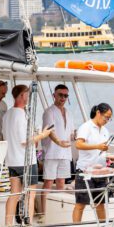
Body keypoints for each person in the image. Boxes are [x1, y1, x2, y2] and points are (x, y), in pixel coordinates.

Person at [3, 85, 52, 227]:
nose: (29, 97)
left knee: (14, 194)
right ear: (22, 96)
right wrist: (42, 135)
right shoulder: (21, 115)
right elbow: (25, 141)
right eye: (27, 94)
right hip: (26, 161)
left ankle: (7, 224)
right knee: (30, 194)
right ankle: (28, 224)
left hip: (12, 160)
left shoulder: (7, 115)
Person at [73, 103, 112, 223]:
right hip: (85, 171)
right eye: (106, 117)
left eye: (109, 119)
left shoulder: (105, 130)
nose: (106, 120)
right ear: (98, 113)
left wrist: (109, 156)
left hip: (100, 171)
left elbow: (102, 150)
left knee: (100, 203)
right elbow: (78, 144)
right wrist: (97, 146)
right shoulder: (86, 127)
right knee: (81, 203)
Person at [41, 85, 73, 213]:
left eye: (66, 95)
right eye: (60, 95)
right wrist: (59, 142)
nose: (63, 98)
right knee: (48, 183)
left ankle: (58, 213)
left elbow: (71, 132)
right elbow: (49, 131)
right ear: (54, 95)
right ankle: (43, 213)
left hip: (65, 153)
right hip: (52, 152)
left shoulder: (69, 113)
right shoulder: (49, 112)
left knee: (61, 183)